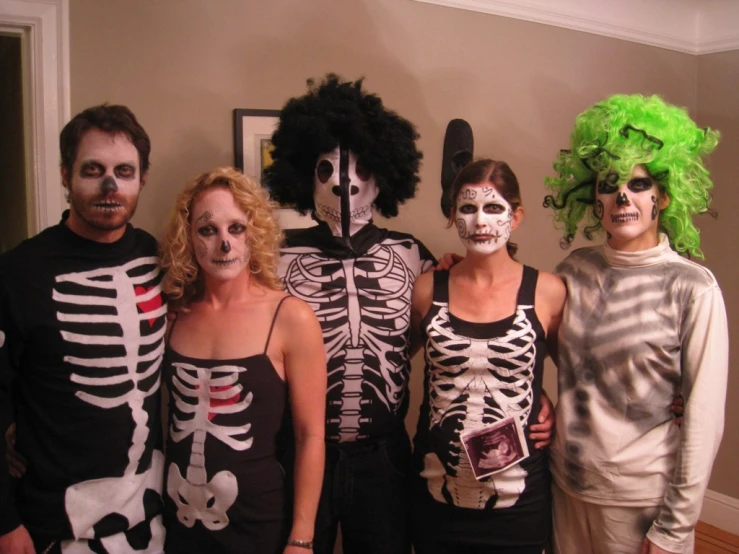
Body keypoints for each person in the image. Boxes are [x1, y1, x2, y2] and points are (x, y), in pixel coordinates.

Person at [265, 74, 555, 554]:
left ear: (381, 175)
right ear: (303, 174)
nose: (343, 182)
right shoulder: (275, 257)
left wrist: (536, 396)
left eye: (359, 169)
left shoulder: (410, 256)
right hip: (299, 446)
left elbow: (462, 325)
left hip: (385, 453)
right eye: (326, 170)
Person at [543, 93, 728, 554]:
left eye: (639, 184)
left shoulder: (692, 287)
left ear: (664, 195)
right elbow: (535, 342)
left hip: (640, 500)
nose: (622, 195)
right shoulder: (572, 270)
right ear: (595, 198)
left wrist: (675, 528)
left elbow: (704, 417)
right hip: (565, 486)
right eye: (609, 183)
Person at [0, 104, 167, 554]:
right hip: (53, 525)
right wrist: (4, 522)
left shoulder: (156, 256)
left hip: (150, 516)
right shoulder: (17, 272)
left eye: (124, 171)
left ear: (142, 177)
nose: (110, 186)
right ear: (64, 174)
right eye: (93, 170)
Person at [158, 167, 326, 554]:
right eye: (207, 230)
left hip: (259, 522)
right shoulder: (173, 313)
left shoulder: (290, 317)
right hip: (178, 520)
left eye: (236, 228)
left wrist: (301, 538)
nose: (224, 244)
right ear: (188, 237)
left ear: (256, 233)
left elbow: (311, 436)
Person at [409, 159, 566, 554]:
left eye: (494, 208)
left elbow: (581, 375)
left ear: (517, 216)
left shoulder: (548, 291)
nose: (480, 222)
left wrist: (552, 406)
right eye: (468, 208)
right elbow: (393, 363)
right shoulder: (428, 288)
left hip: (517, 495)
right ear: (452, 216)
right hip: (435, 486)